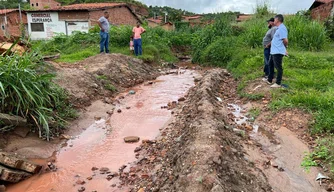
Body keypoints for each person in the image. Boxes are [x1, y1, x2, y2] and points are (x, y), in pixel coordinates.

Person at [265, 14, 288, 88]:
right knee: (270, 64)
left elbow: (285, 40)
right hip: (273, 51)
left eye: (274, 19)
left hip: (278, 51)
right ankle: (269, 79)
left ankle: (278, 83)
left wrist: (284, 49)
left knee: (278, 67)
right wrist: (268, 45)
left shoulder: (282, 29)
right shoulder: (278, 28)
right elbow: (275, 39)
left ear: (278, 20)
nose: (273, 21)